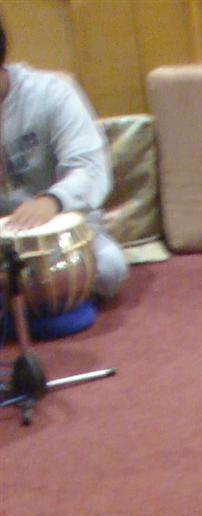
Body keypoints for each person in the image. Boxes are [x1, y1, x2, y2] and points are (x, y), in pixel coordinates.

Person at [0, 11, 128, 301]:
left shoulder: (51, 94)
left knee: (108, 269)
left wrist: (53, 200)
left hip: (61, 228)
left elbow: (89, 167)